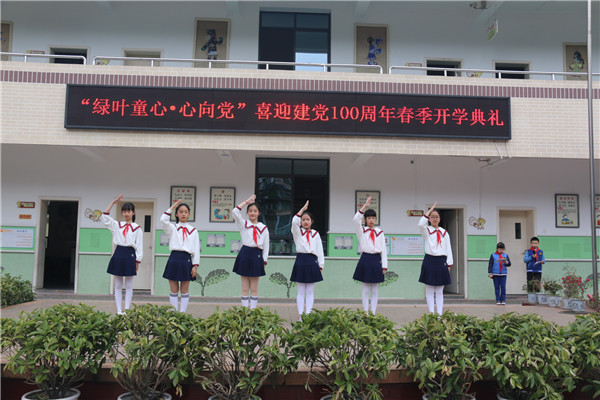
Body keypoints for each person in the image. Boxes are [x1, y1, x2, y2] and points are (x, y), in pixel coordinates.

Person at [102, 194, 143, 315]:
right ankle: (119, 310)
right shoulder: (117, 225)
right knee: (118, 285)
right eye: (124, 211)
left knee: (129, 285)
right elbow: (104, 218)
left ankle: (127, 310)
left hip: (130, 255)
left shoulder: (137, 228)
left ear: (133, 213)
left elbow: (139, 246)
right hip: (119, 253)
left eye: (129, 211)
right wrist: (113, 203)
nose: (126, 213)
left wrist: (138, 261)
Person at [160, 199, 200, 312]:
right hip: (174, 259)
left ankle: (182, 313)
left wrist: (195, 265)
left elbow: (196, 249)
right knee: (174, 289)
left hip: (186, 260)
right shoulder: (172, 228)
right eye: (181, 212)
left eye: (186, 212)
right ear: (177, 214)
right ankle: (174, 313)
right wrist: (172, 207)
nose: (183, 214)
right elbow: (163, 220)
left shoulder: (193, 231)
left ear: (189, 214)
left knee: (184, 289)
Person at [232, 194, 269, 309]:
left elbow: (266, 246)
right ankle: (244, 312)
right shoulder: (243, 224)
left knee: (254, 288)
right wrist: (246, 202)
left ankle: (253, 311)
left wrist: (264, 260)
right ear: (247, 213)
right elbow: (234, 212)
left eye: (255, 211)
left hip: (256, 255)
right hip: (245, 254)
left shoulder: (263, 228)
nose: (252, 213)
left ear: (259, 213)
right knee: (244, 288)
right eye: (250, 211)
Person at [353, 196, 387, 313]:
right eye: (369, 218)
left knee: (375, 289)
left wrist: (384, 266)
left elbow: (384, 250)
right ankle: (366, 312)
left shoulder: (380, 232)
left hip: (376, 259)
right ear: (365, 220)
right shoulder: (361, 231)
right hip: (365, 259)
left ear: (375, 219)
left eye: (373, 218)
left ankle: (373, 312)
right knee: (365, 288)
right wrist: (364, 207)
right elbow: (355, 220)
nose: (371, 220)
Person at [290, 200, 324, 319]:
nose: (305, 221)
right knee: (300, 291)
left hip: (312, 262)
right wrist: (302, 210)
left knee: (310, 291)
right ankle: (300, 315)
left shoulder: (315, 234)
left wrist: (321, 265)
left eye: (308, 219)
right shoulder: (298, 233)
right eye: (303, 220)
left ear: (312, 221)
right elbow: (294, 222)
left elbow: (320, 250)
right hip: (301, 261)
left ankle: (308, 314)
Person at [418, 202, 453, 315]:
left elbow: (448, 249)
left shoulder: (444, 233)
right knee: (429, 290)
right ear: (429, 219)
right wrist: (430, 210)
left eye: (437, 217)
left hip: (441, 261)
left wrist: (449, 264)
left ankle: (439, 315)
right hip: (429, 261)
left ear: (440, 219)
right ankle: (431, 313)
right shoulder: (427, 231)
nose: (435, 219)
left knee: (439, 291)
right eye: (432, 217)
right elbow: (420, 224)